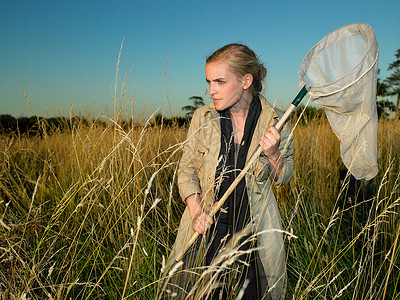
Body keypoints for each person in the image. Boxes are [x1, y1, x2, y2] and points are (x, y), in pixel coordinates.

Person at [165, 43, 294, 300]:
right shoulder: (202, 117)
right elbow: (187, 170)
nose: (211, 90)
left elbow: (285, 176)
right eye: (209, 81)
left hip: (253, 233)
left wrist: (273, 154)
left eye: (220, 82)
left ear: (246, 80)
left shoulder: (276, 120)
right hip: (206, 228)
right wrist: (196, 210)